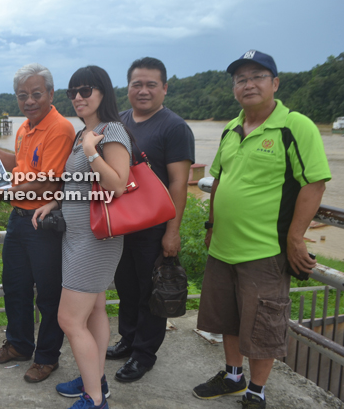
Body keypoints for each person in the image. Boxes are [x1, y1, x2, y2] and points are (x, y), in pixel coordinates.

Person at [193, 50, 331, 409]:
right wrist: (210, 224)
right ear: (234, 88)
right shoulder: (230, 127)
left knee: (263, 324)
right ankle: (233, 377)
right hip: (222, 246)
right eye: (240, 79)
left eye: (257, 76)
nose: (248, 84)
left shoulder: (294, 126)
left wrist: (295, 237)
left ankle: (256, 390)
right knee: (227, 317)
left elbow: (314, 183)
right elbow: (220, 180)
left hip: (265, 251)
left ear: (275, 83)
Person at [34, 66, 132, 409]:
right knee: (94, 313)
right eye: (72, 92)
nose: (78, 97)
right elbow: (78, 185)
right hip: (77, 235)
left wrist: (92, 152)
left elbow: (117, 184)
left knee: (68, 319)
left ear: (103, 92)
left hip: (96, 240)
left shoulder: (112, 130)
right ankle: (97, 381)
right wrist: (55, 200)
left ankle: (94, 400)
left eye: (86, 90)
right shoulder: (84, 133)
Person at [0, 63, 75, 384]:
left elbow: (47, 183)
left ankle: (47, 357)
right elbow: (21, 166)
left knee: (48, 294)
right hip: (18, 219)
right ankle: (19, 344)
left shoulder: (60, 129)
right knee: (16, 287)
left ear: (50, 93)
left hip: (43, 223)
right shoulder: (24, 128)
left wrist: (2, 190)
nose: (29, 101)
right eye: (23, 96)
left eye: (36, 94)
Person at [107, 57, 195, 383]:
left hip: (154, 227)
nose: (143, 91)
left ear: (165, 88)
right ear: (127, 88)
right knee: (127, 289)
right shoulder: (120, 121)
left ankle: (144, 354)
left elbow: (178, 184)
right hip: (123, 224)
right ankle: (128, 340)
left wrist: (172, 232)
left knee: (150, 292)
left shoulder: (174, 127)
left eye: (151, 85)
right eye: (136, 84)